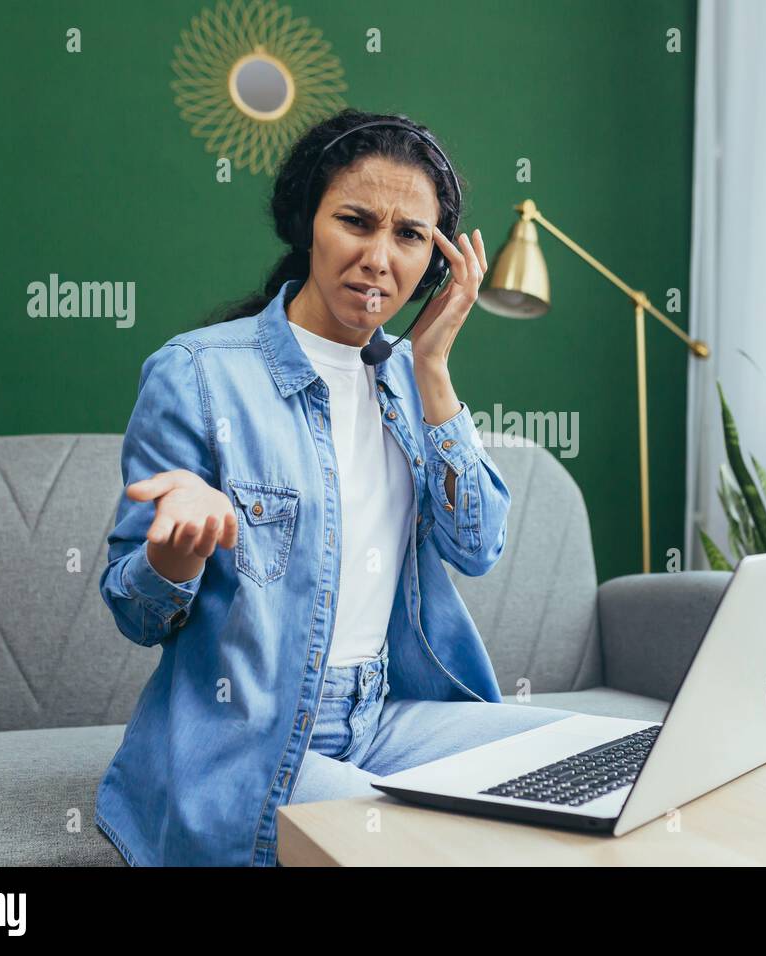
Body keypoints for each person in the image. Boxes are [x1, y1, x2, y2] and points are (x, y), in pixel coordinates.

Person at [94, 108, 575, 867]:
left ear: (438, 261)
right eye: (356, 221)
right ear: (307, 224)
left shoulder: (412, 385)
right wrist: (176, 556)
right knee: (412, 848)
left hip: (385, 717)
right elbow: (133, 609)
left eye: (410, 236)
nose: (379, 257)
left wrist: (435, 368)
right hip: (249, 738)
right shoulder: (198, 375)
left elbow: (478, 547)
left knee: (610, 761)